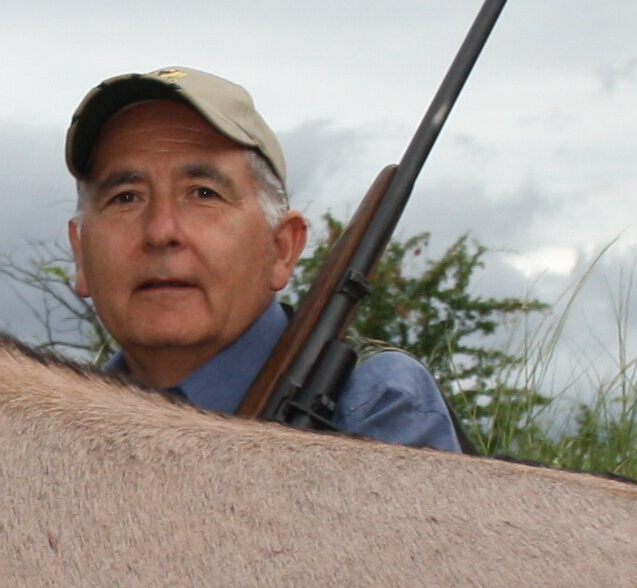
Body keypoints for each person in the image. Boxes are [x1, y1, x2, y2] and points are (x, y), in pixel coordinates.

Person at [64, 67, 462, 451]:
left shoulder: (372, 401)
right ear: (80, 254)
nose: (161, 231)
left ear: (282, 248)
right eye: (126, 197)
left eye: (204, 194)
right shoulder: (55, 422)